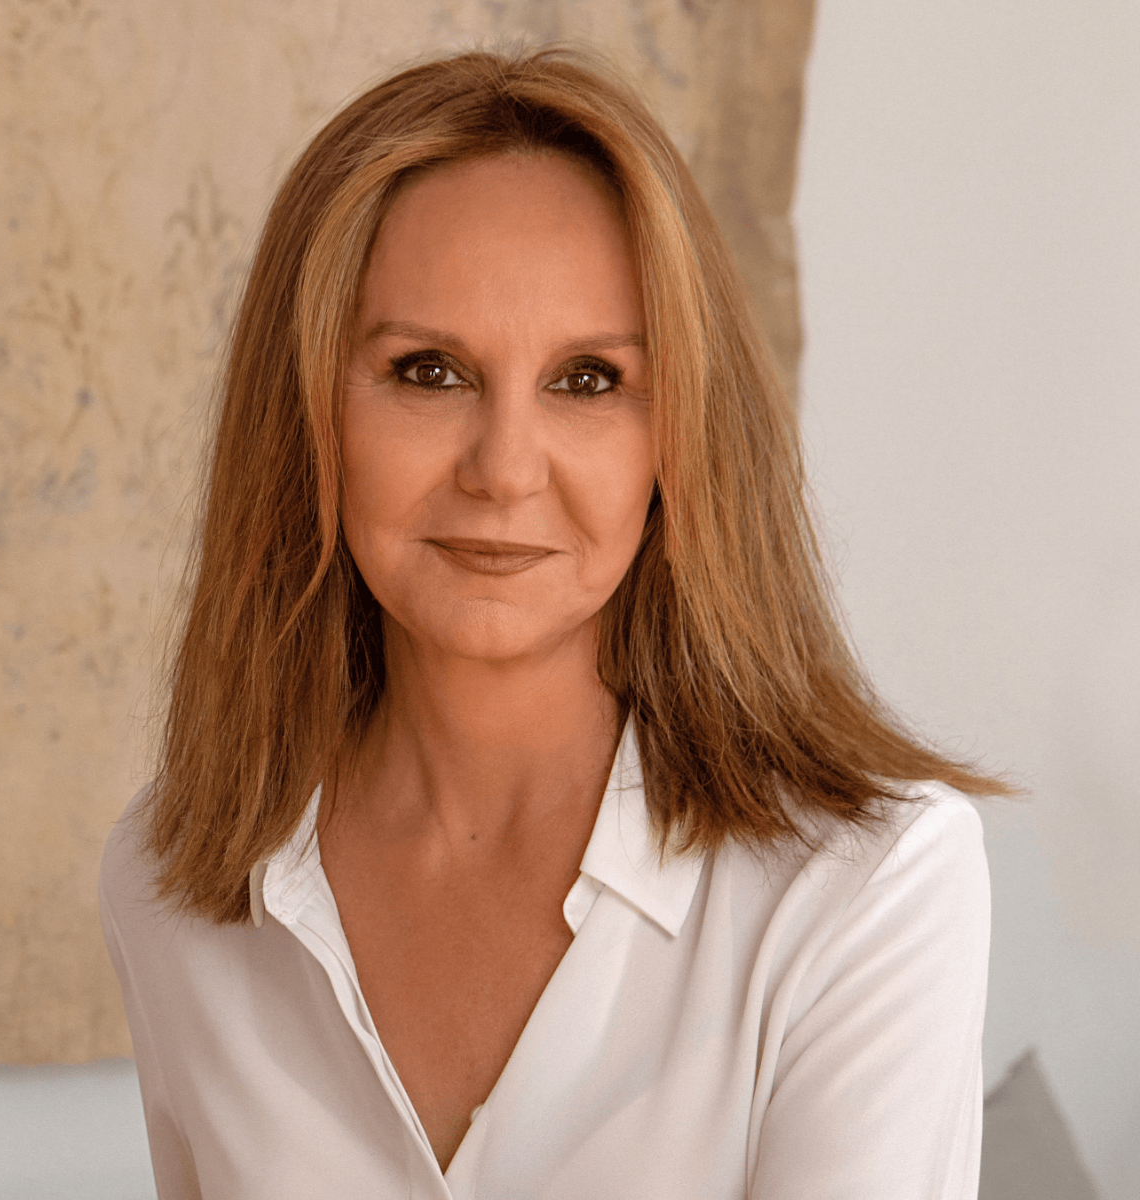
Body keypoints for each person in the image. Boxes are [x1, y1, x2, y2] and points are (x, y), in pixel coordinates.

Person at [100, 46, 1009, 1200]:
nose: (505, 469)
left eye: (587, 381)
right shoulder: (173, 884)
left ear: (675, 438)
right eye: (429, 371)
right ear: (308, 411)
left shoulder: (868, 885)